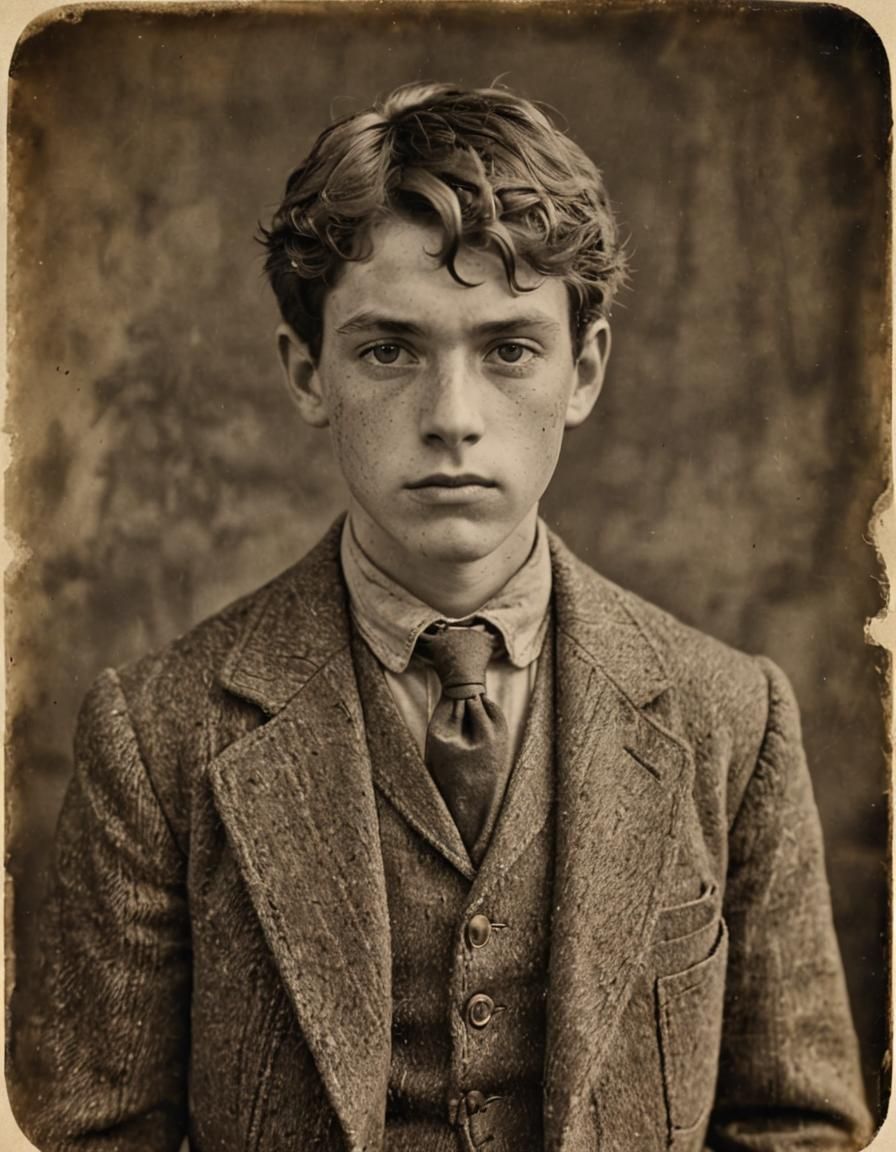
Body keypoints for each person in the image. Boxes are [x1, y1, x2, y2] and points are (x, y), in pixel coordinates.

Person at [12, 82, 872, 1152]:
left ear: (582, 370)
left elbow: (797, 1126)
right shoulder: (156, 733)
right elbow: (91, 1137)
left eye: (507, 349)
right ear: (306, 374)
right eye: (388, 351)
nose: (452, 420)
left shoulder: (729, 716)